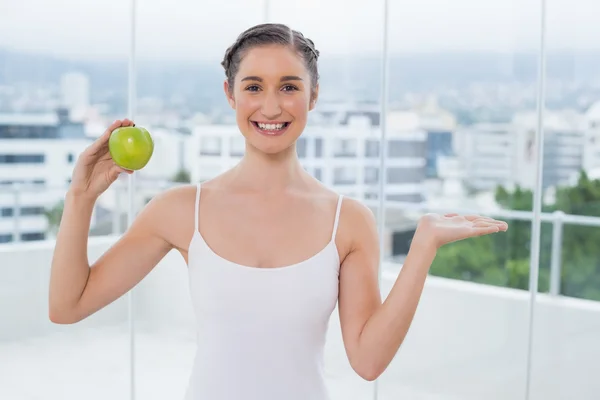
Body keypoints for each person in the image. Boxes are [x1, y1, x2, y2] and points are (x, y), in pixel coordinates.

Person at [48, 23, 508, 400]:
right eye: (254, 87)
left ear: (313, 96)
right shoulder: (179, 210)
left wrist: (422, 245)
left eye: (289, 87)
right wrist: (80, 198)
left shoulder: (348, 220)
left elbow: (368, 361)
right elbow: (68, 306)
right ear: (230, 94)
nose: (271, 106)